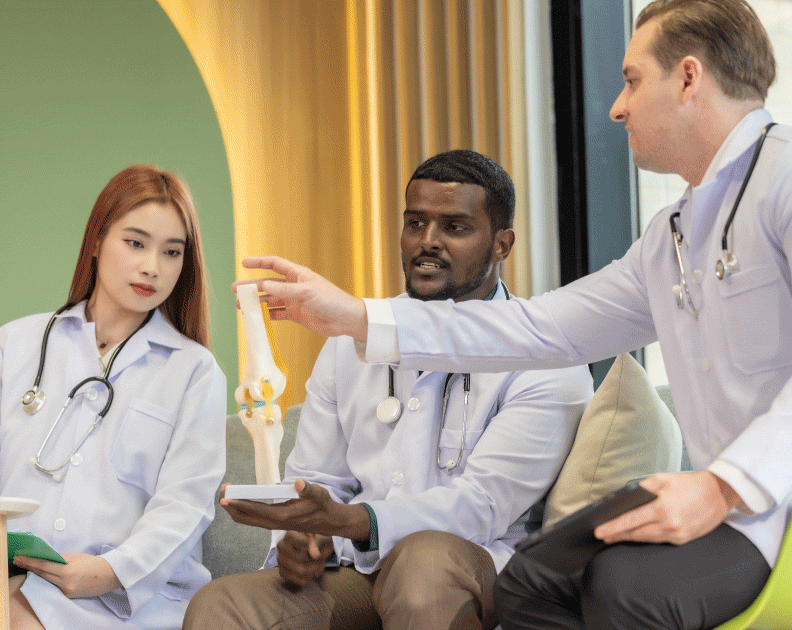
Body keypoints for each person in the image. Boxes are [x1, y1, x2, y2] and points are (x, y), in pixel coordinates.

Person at [229, 1, 792, 628]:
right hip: (747, 511)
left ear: (690, 78)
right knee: (532, 582)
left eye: (633, 80)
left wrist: (723, 484)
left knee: (626, 587)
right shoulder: (671, 237)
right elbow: (537, 328)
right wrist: (357, 317)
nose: (616, 107)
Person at [182, 150, 594, 630]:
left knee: (423, 567)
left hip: (479, 570)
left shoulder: (545, 359)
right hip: (361, 571)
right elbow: (318, 478)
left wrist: (355, 522)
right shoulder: (349, 342)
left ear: (502, 245)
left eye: (454, 227)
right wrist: (304, 536)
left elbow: (481, 508)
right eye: (415, 223)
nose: (427, 242)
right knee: (222, 605)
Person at [0, 164, 227, 630]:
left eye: (172, 252)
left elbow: (185, 506)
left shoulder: (193, 371)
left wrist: (110, 572)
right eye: (135, 242)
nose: (152, 267)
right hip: (13, 570)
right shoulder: (18, 343)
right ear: (97, 241)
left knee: (17, 617)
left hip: (129, 595)